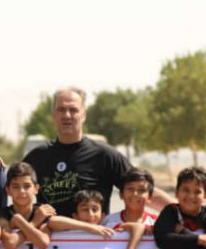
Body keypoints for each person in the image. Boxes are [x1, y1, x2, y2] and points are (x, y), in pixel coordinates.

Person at [22, 87, 173, 217]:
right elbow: (9, 191)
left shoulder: (106, 156)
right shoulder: (36, 158)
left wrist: (184, 214)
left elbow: (143, 189)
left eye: (73, 110)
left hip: (95, 245)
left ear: (83, 114)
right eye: (61, 110)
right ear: (53, 115)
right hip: (49, 246)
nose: (67, 115)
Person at [49, 190, 145, 249]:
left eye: (95, 209)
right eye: (85, 209)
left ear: (103, 215)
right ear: (75, 216)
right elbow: (51, 221)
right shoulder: (70, 229)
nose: (91, 214)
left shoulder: (108, 228)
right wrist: (90, 228)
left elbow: (138, 227)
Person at [154, 166, 206, 249]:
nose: (191, 196)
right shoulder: (170, 211)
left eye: (197, 192)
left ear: (205, 196)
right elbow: (162, 241)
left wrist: (183, 232)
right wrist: (200, 239)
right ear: (176, 192)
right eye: (186, 190)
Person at [0, 162, 53, 249]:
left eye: (27, 186)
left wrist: (21, 223)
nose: (22, 191)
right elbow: (10, 243)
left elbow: (43, 243)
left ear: (36, 189)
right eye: (16, 187)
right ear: (8, 190)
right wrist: (34, 222)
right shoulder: (3, 213)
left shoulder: (42, 211)